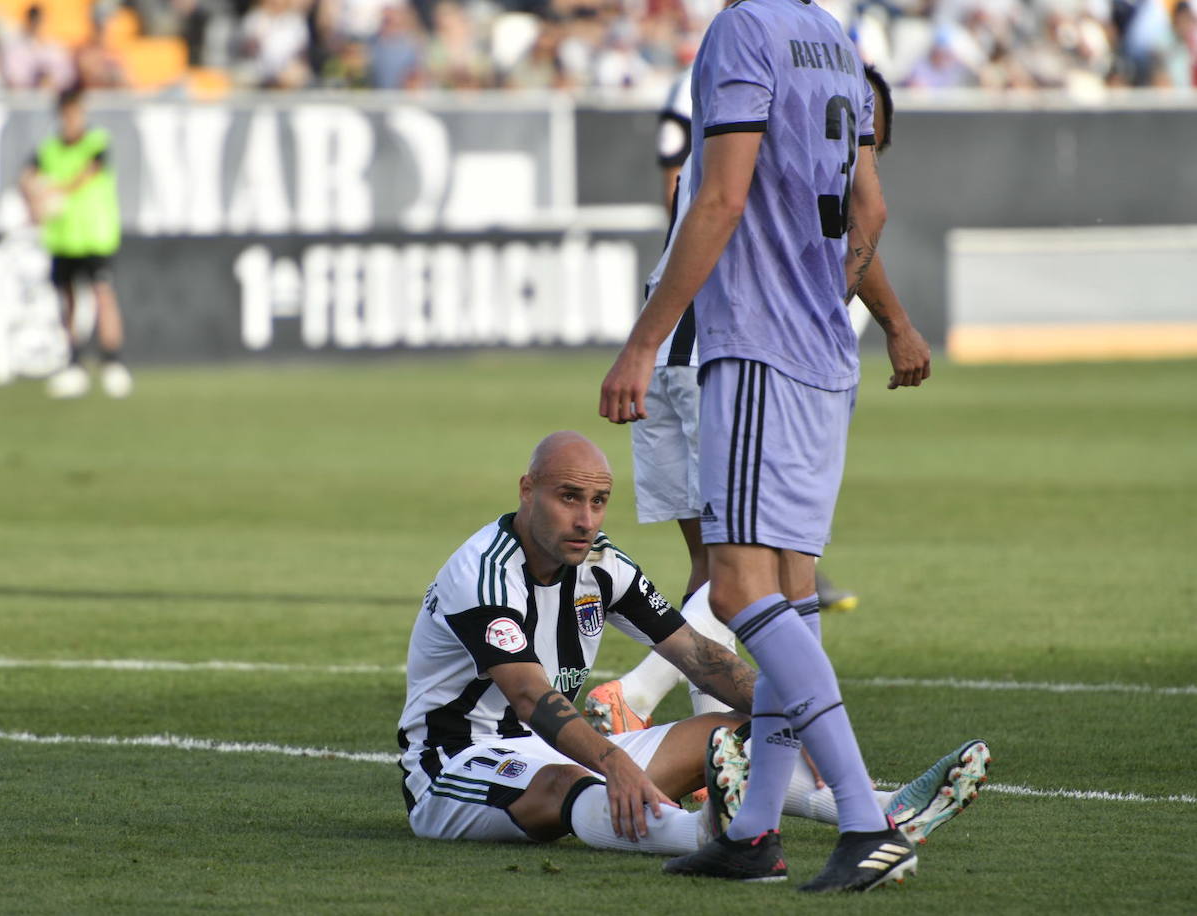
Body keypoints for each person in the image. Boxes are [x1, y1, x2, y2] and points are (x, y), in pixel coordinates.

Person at [599, 0, 933, 893]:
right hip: (828, 351)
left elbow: (719, 196)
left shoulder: (743, 32)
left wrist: (642, 342)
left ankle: (865, 818)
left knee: (740, 587)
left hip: (757, 351)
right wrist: (859, 304)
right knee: (788, 591)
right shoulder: (835, 38)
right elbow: (871, 205)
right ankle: (755, 833)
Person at [397, 432, 986, 861]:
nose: (585, 518)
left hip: (553, 746)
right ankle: (709, 837)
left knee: (733, 733)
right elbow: (529, 698)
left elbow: (702, 658)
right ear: (528, 491)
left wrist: (796, 715)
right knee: (560, 784)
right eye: (568, 497)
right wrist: (612, 760)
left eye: (597, 502)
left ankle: (886, 811)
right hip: (455, 764)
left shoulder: (602, 566)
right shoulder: (483, 573)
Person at [586, 64, 901, 742]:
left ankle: (711, 750)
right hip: (722, 356)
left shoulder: (729, 131)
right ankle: (636, 693)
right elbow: (852, 228)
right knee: (749, 571)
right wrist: (896, 327)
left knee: (711, 567)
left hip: (668, 340)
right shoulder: (796, 150)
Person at [19, 85, 131, 399]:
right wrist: (32, 200)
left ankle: (113, 363)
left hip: (95, 236)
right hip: (63, 238)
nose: (71, 120)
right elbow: (26, 178)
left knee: (103, 296)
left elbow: (87, 175)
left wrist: (51, 192)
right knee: (67, 302)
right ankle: (75, 364)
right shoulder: (48, 149)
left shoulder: (96, 143)